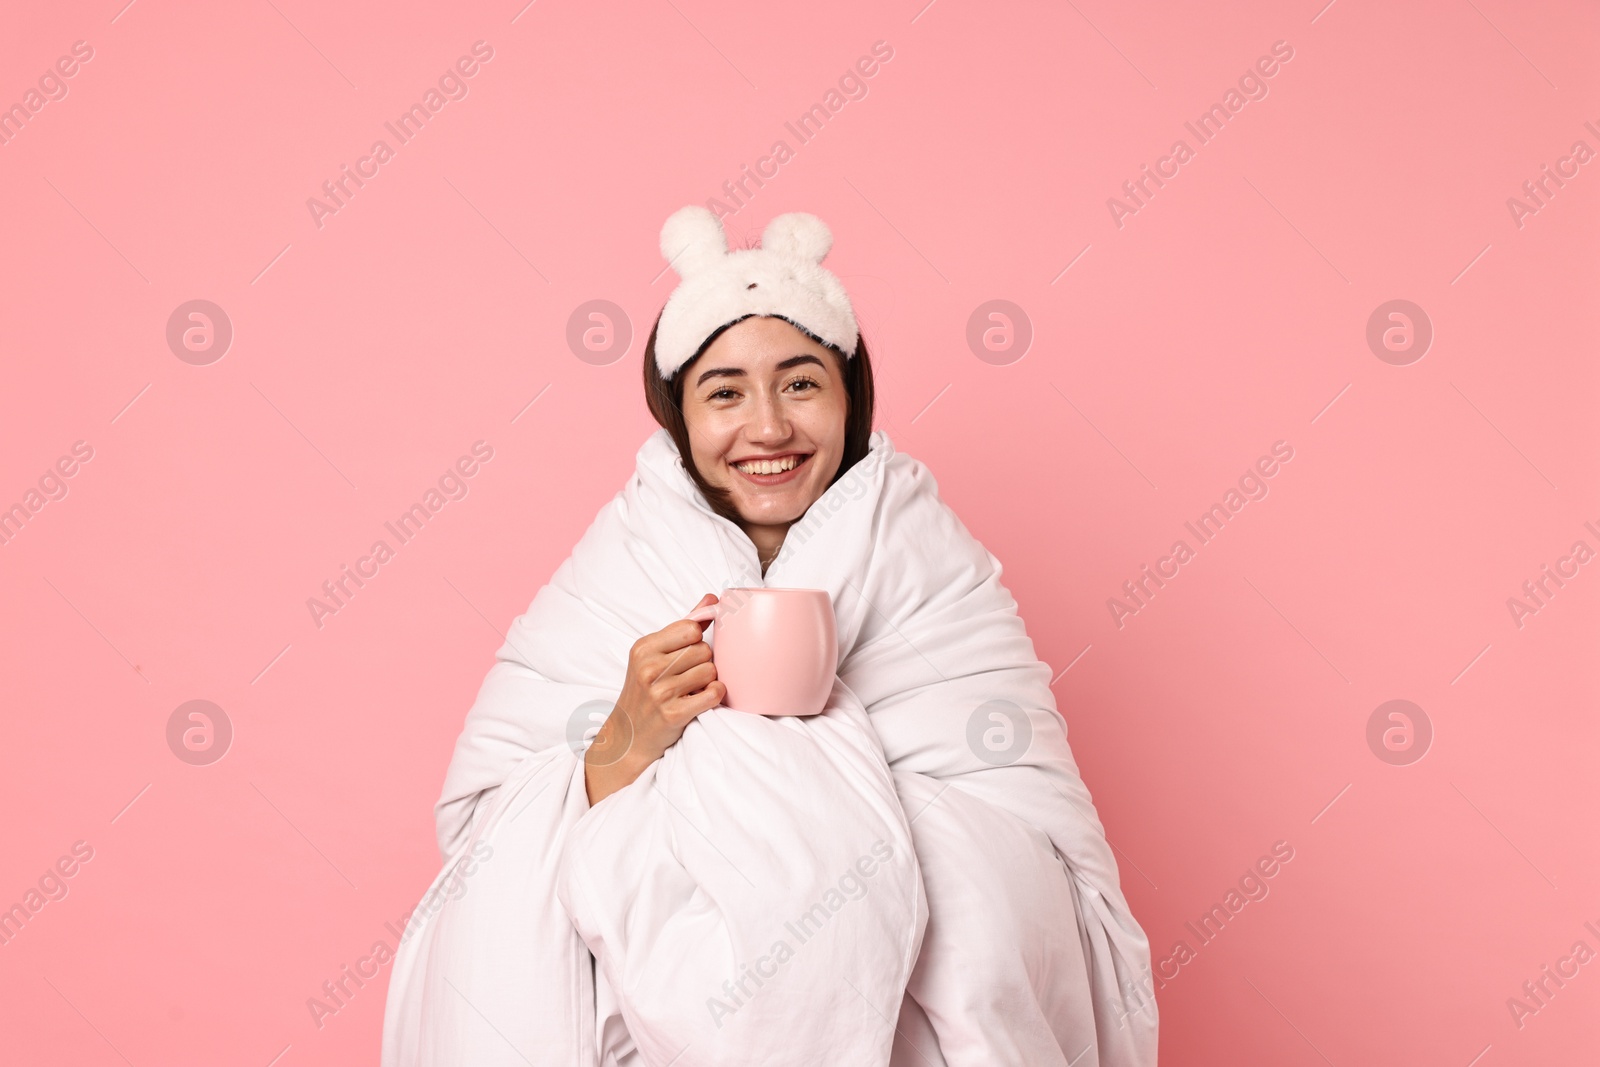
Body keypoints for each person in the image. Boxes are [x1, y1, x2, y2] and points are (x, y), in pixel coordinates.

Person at [381, 206, 1158, 1067]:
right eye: (724, 393)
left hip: (905, 1009)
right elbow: (485, 831)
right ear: (679, 416)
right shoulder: (621, 560)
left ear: (848, 398)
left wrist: (835, 807)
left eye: (799, 383)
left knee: (970, 892)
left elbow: (1029, 819)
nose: (768, 429)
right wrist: (621, 747)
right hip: (653, 1026)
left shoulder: (922, 549)